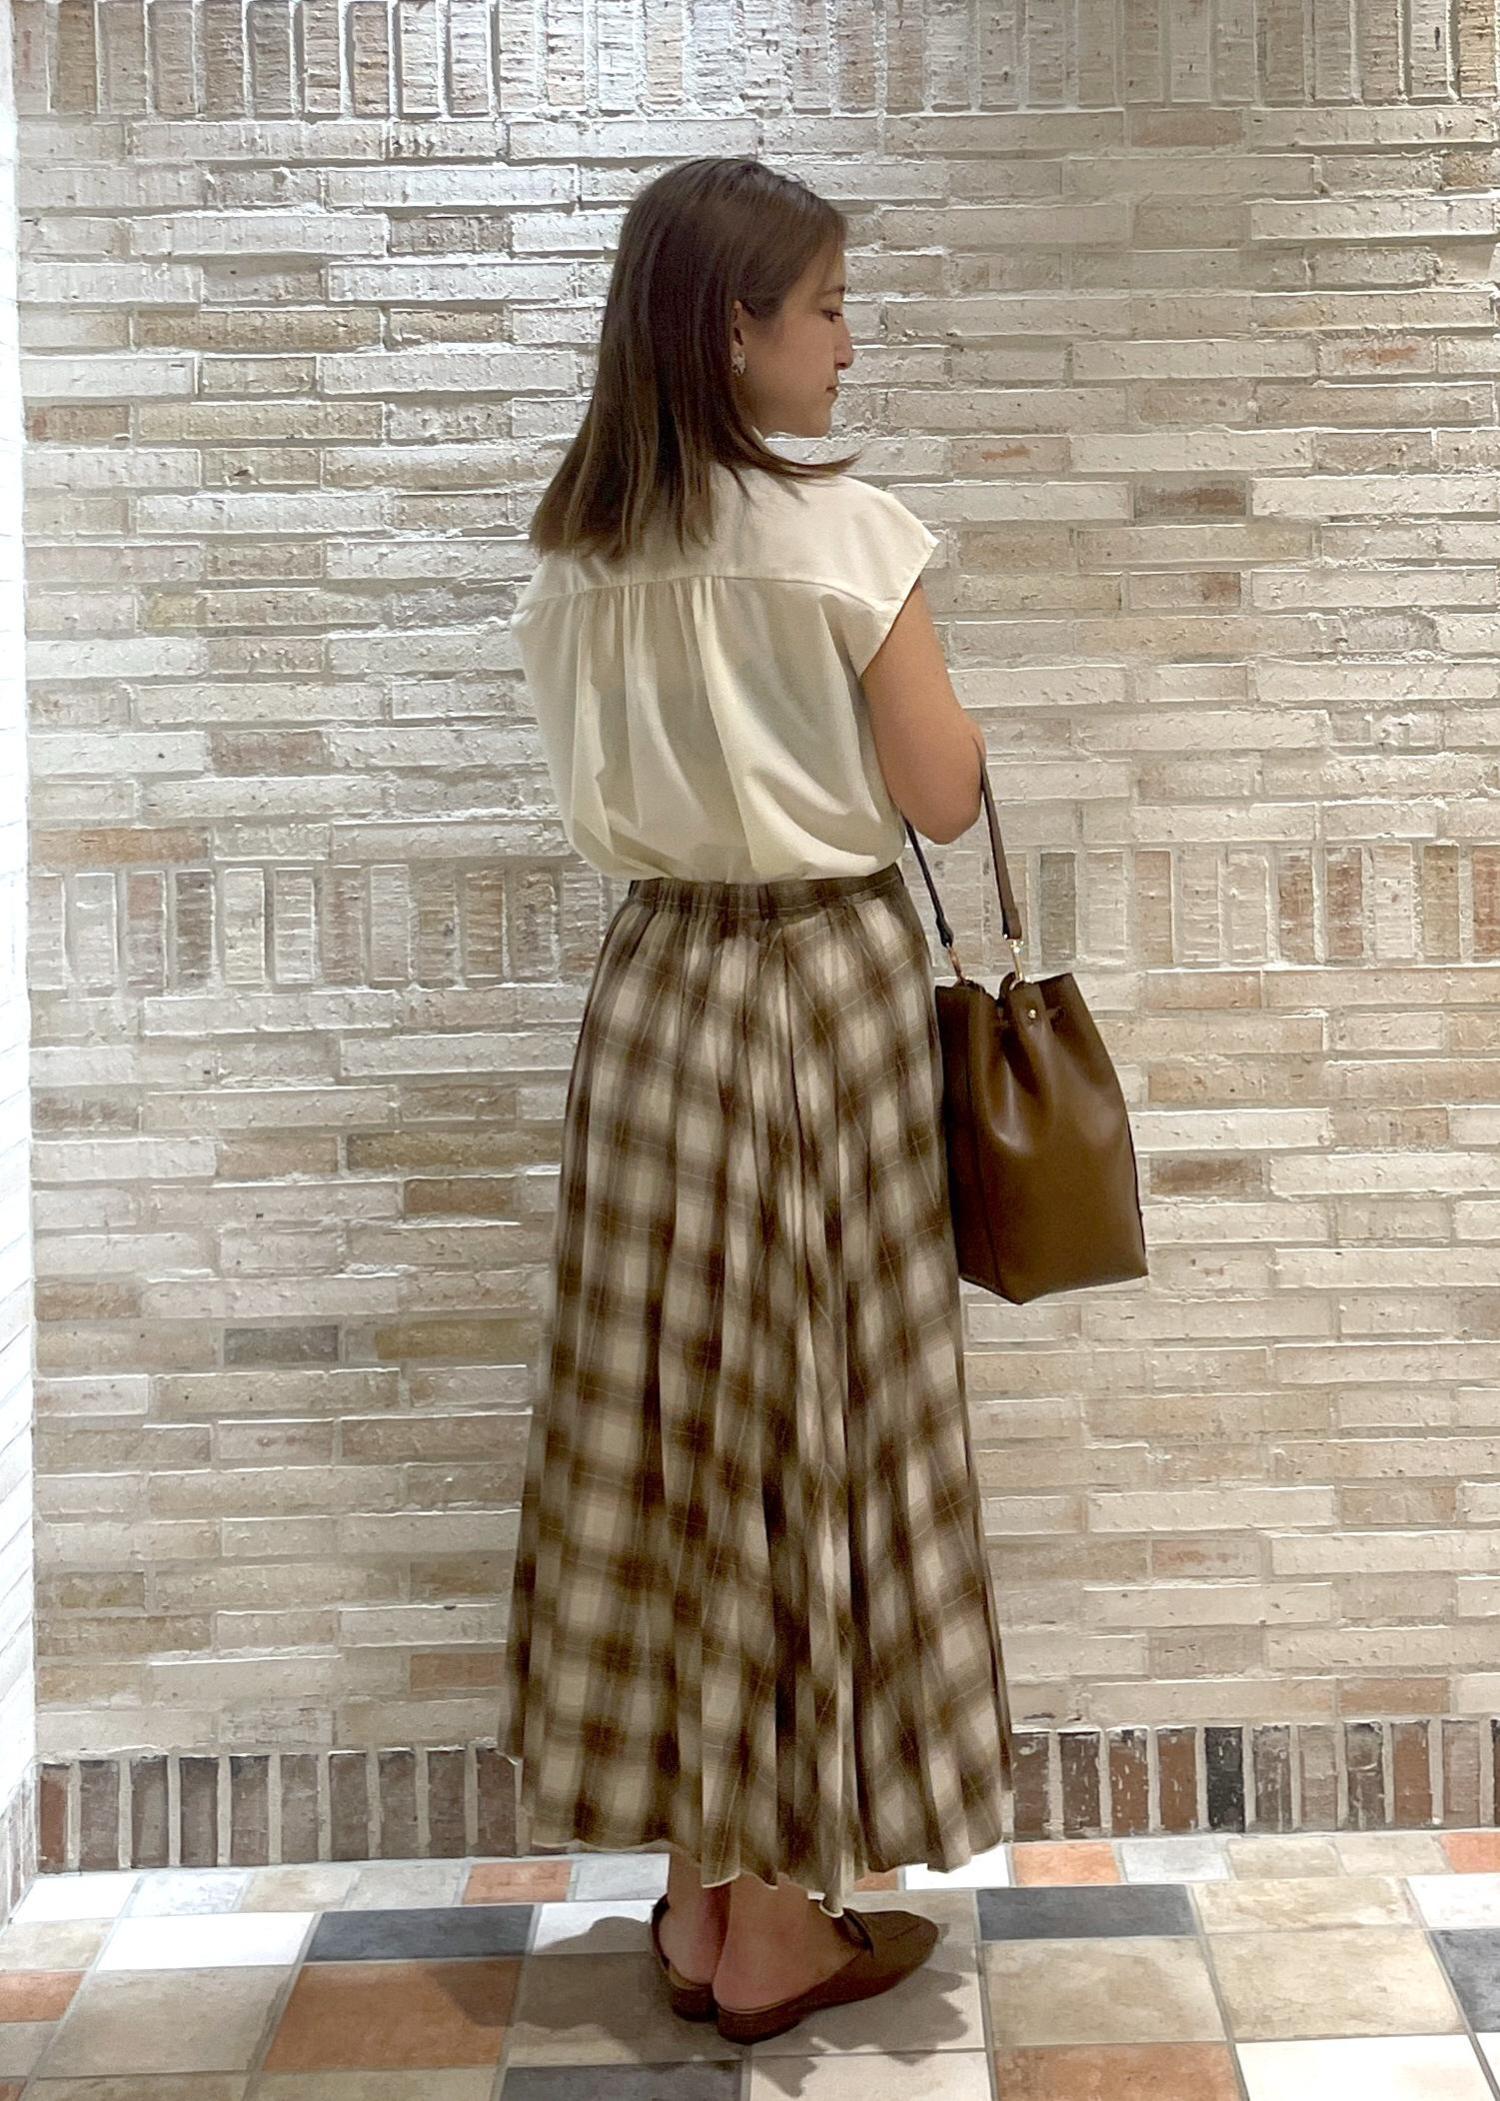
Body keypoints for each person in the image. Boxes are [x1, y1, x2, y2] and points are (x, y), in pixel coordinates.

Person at [499, 154, 1012, 2048]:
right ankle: (780, 1918)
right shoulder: (846, 538)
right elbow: (941, 793)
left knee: (669, 1422)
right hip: (819, 994)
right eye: (827, 308)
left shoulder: (576, 550)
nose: (847, 343)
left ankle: (700, 1887)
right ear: (736, 328)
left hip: (654, 1005)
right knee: (812, 1419)